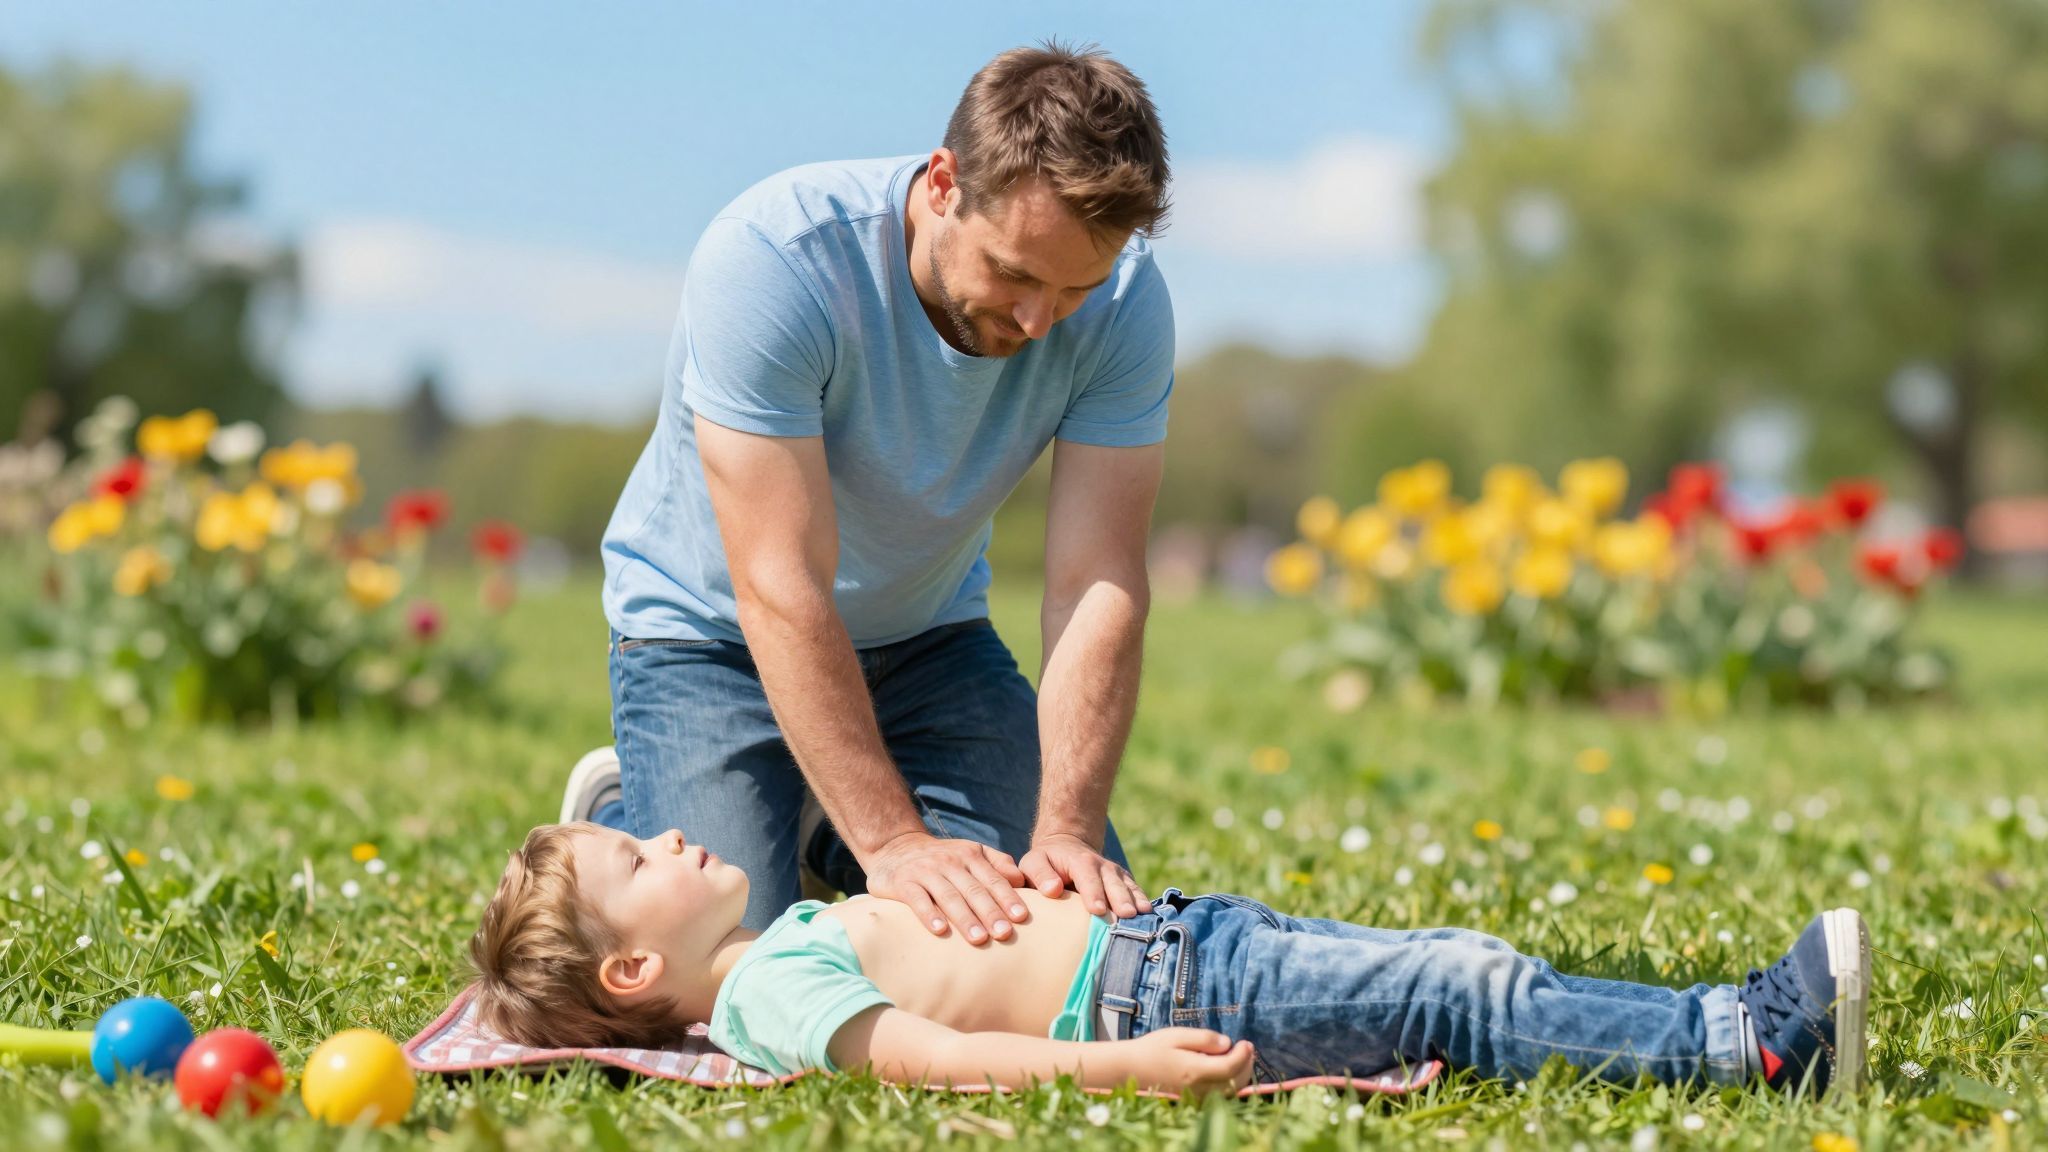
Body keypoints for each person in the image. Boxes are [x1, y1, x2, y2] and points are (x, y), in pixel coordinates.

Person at [580, 40, 1177, 944]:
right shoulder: (774, 261)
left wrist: (1065, 830)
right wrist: (895, 842)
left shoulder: (1126, 303)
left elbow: (1097, 577)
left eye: (1074, 288)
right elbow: (781, 583)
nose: (1038, 320)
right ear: (945, 182)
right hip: (711, 638)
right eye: (1014, 272)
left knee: (1068, 936)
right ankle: (643, 815)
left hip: (931, 640)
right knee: (727, 962)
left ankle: (827, 822)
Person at [467, 823, 1872, 1098]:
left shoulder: (778, 946)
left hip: (1181, 947)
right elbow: (939, 1058)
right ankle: (1742, 1039)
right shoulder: (774, 995)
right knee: (1460, 985)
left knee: (1459, 968)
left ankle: (1720, 1031)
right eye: (633, 859)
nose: (667, 830)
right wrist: (1116, 1068)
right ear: (640, 971)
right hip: (1162, 996)